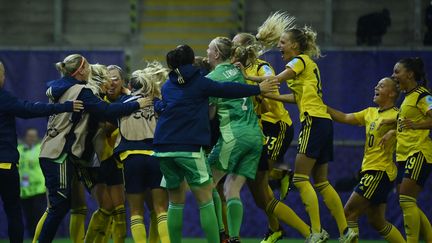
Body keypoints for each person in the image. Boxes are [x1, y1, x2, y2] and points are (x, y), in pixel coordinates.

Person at [240, 13, 356, 242]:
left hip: (312, 121)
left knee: (301, 179)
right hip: (324, 122)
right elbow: (296, 97)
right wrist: (276, 97)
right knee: (321, 182)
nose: (279, 47)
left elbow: (274, 80)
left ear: (294, 45)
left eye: (282, 43)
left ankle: (315, 232)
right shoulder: (308, 65)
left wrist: (246, 76)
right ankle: (345, 231)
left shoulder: (298, 61)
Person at [153, 44, 278, 243]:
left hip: (163, 148)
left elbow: (163, 106)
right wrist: (257, 88)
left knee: (175, 203)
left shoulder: (168, 85)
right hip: (190, 148)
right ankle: (221, 238)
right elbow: (227, 89)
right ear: (191, 60)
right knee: (205, 200)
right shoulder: (201, 83)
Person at [36, 54, 150, 243]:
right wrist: (137, 102)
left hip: (76, 153)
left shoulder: (67, 88)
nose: (110, 83)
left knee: (105, 206)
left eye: (115, 79)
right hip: (71, 154)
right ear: (85, 72)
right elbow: (106, 113)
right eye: (107, 78)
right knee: (64, 207)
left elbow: (54, 87)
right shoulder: (87, 92)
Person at [232, 31, 310, 243]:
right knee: (258, 191)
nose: (233, 49)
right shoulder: (238, 69)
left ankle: (280, 172)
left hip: (276, 125)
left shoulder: (260, 66)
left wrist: (254, 85)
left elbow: (270, 81)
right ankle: (275, 228)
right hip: (259, 129)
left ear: (246, 48)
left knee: (260, 178)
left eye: (236, 45)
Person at [0, 60, 83, 243]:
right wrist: (64, 107)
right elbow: (29, 109)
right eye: (3, 74)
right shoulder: (3, 98)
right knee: (13, 212)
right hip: (4, 166)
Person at [327, 77, 405, 242]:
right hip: (371, 171)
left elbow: (414, 129)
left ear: (391, 93)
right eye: (376, 84)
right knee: (377, 221)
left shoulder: (398, 115)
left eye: (381, 86)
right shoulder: (370, 112)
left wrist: (394, 131)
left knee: (348, 213)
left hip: (380, 172)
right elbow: (344, 117)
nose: (376, 87)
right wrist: (320, 106)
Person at [114, 62, 170, 243]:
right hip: (156, 157)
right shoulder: (158, 103)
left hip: (132, 158)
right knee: (161, 209)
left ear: (130, 86)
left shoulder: (122, 103)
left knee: (136, 212)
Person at [389, 57, 432, 243]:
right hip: (403, 156)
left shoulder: (423, 95)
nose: (393, 75)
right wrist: (392, 130)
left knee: (406, 200)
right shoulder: (408, 98)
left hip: (419, 152)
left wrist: (416, 125)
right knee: (407, 202)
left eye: (397, 72)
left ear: (410, 74)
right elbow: (405, 124)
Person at [18, 128, 47, 239]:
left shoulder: (41, 149)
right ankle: (32, 239)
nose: (31, 138)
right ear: (26, 137)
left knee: (39, 216)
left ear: (36, 137)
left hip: (39, 189)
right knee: (28, 217)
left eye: (33, 136)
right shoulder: (19, 150)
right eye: (29, 136)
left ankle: (42, 238)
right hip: (24, 190)